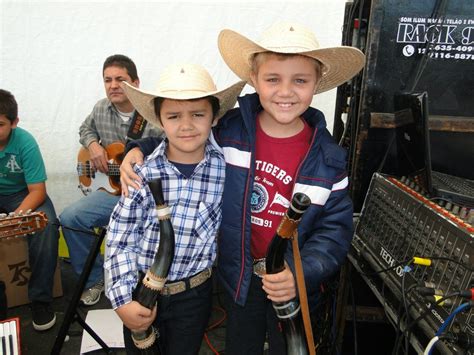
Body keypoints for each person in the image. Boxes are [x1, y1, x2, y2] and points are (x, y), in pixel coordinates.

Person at [121, 21, 365, 354]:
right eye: (273, 79)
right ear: (254, 79)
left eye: (300, 80)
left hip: (291, 283)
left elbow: (334, 232)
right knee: (241, 346)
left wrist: (301, 272)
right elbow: (185, 137)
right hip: (240, 278)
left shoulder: (329, 159)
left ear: (317, 83)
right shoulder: (230, 131)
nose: (285, 91)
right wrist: (139, 148)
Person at [105, 63, 244, 354]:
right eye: (173, 116)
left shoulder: (226, 167)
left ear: (214, 116)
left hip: (195, 295)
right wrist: (121, 299)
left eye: (197, 114)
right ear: (159, 119)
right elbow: (121, 236)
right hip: (140, 291)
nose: (186, 125)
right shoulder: (141, 170)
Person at [59, 54, 162, 306]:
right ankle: (95, 278)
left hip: (144, 193)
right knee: (70, 218)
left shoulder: (153, 114)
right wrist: (93, 145)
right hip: (110, 191)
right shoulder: (100, 108)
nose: (113, 85)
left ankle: (148, 284)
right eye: (108, 80)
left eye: (120, 79)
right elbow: (85, 129)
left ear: (135, 83)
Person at [0, 89, 59, 331]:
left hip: (22, 194)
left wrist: (13, 220)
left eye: (0, 124)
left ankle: (41, 299)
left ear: (14, 123)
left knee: (47, 225)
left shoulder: (25, 142)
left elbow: (37, 191)